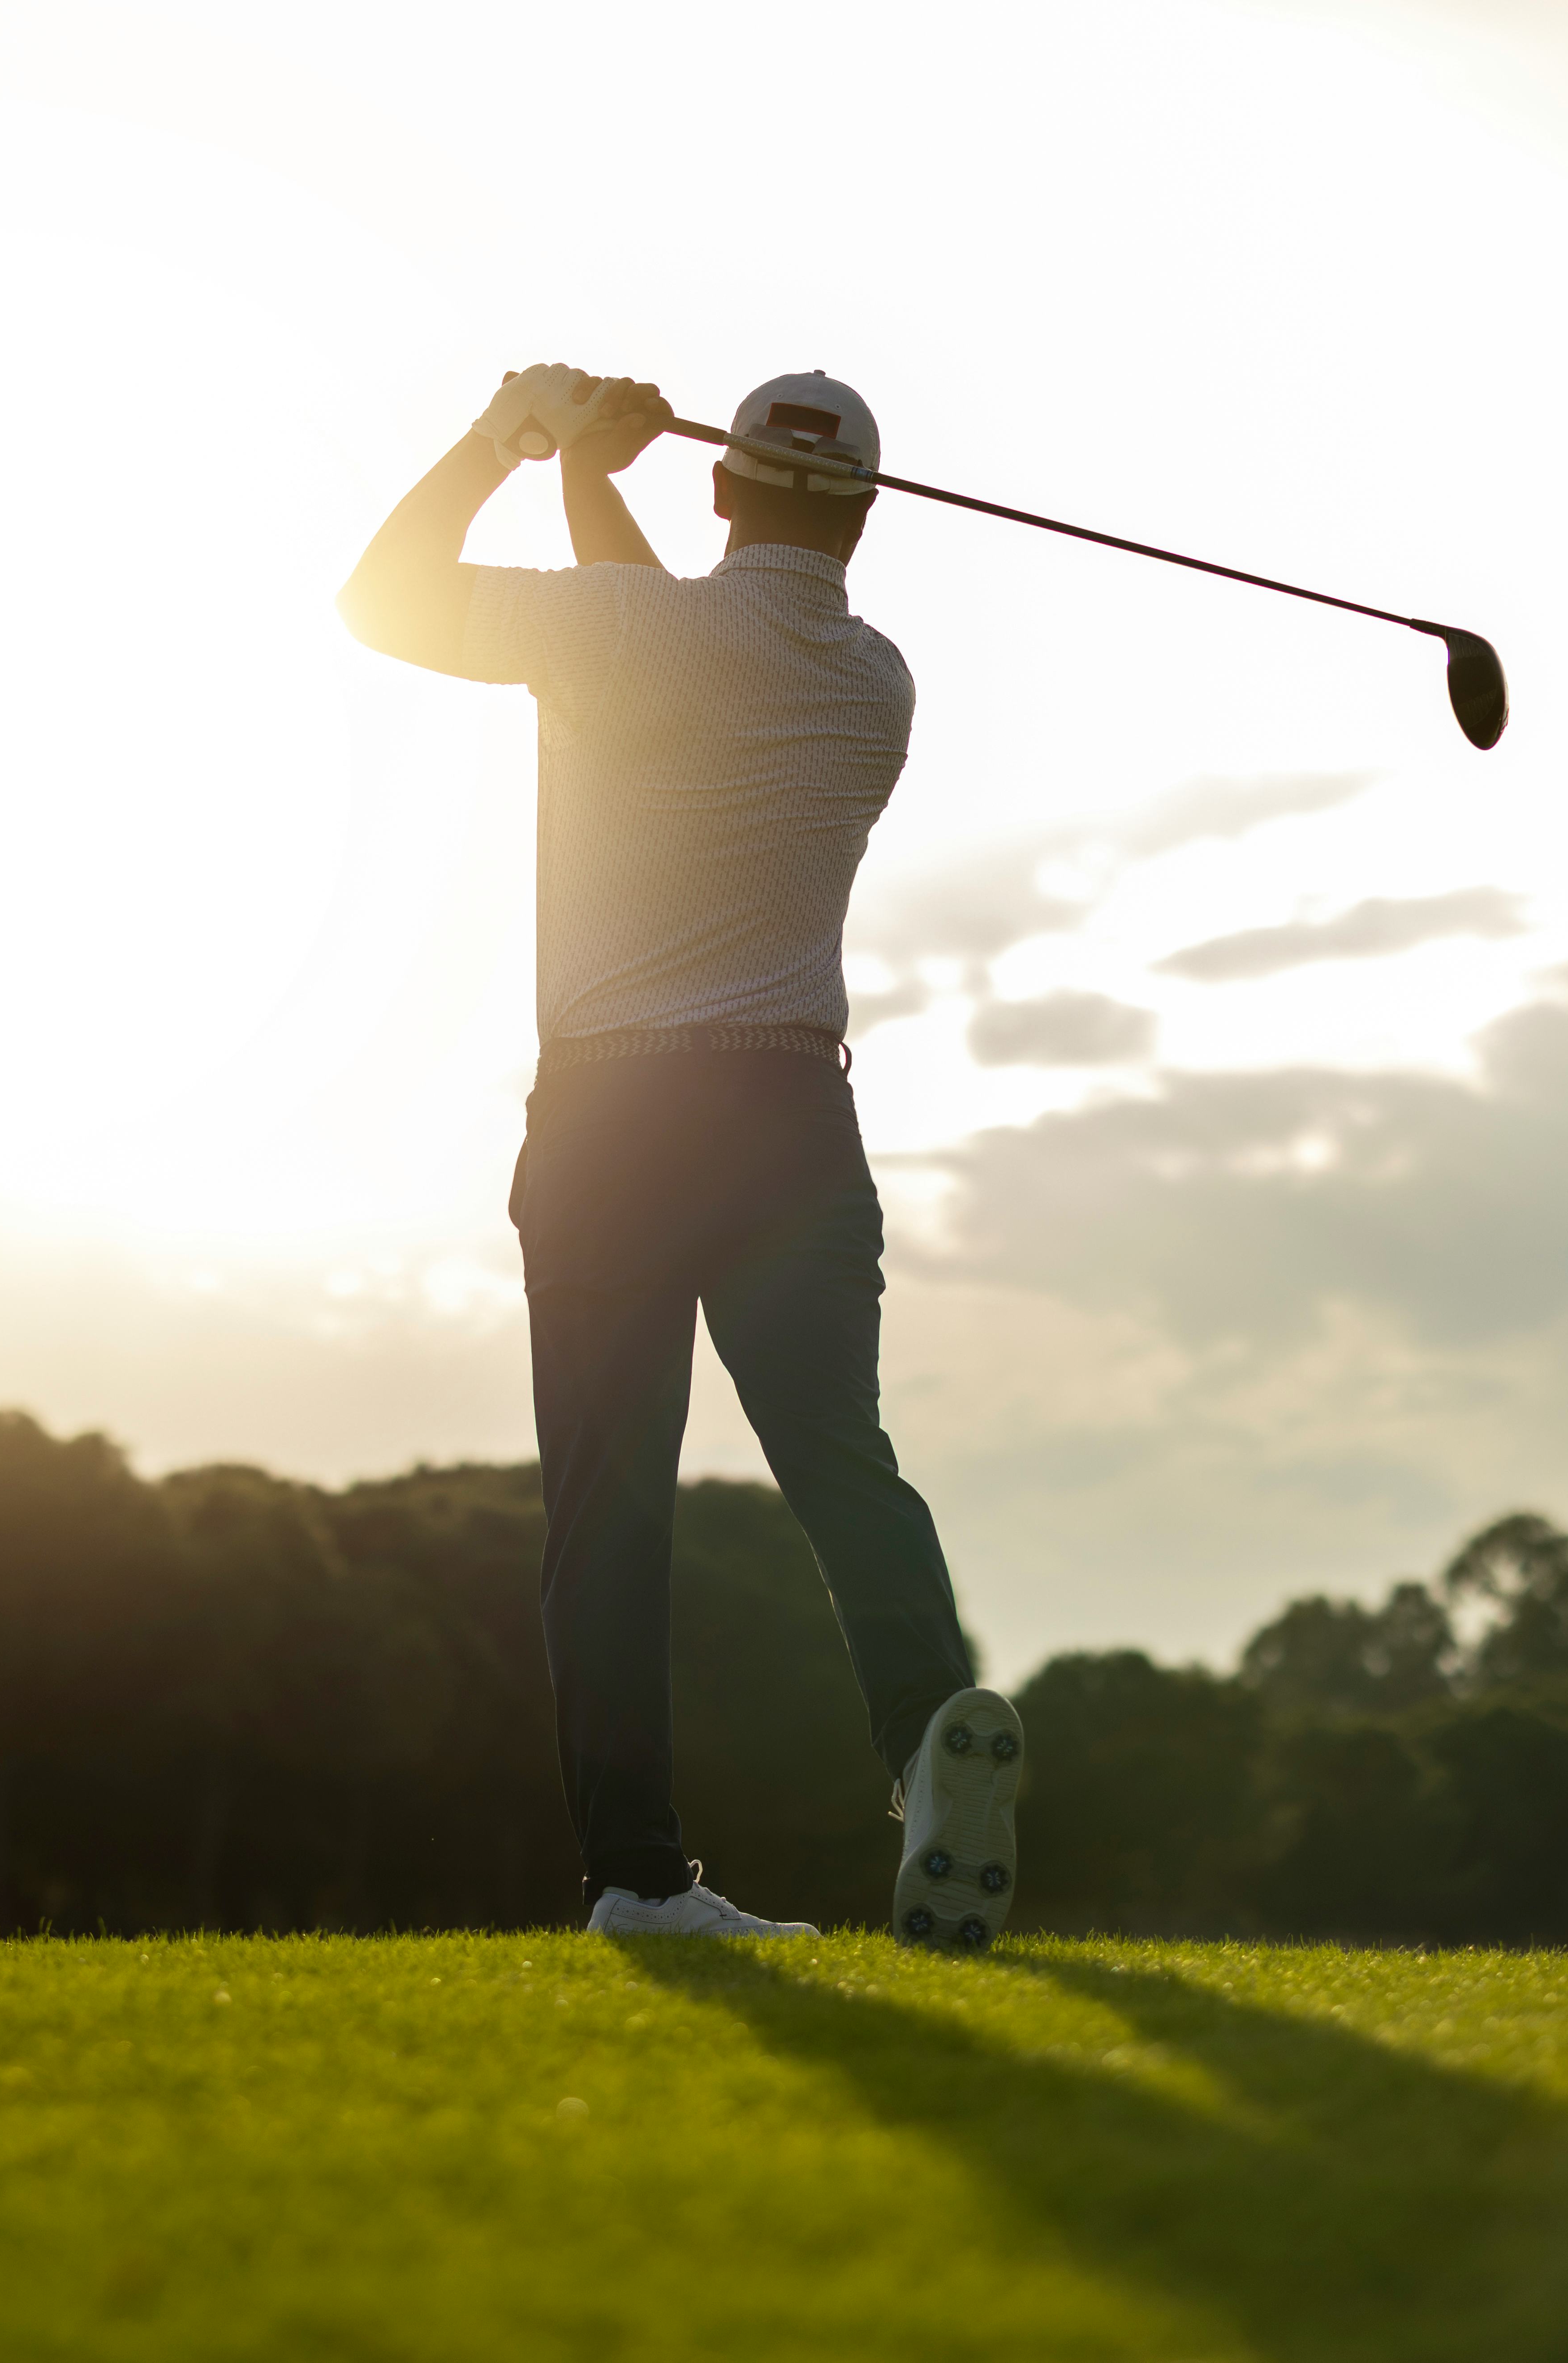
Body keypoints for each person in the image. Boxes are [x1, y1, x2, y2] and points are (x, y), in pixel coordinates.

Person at [338, 365, 1025, 1947]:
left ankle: (640, 1878)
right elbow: (655, 632)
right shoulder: (875, 682)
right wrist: (597, 477)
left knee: (610, 1503)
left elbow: (383, 600)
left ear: (722, 488)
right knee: (839, 1457)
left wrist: (521, 438)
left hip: (611, 1123)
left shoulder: (618, 640)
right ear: (860, 511)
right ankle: (925, 1733)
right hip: (788, 1120)